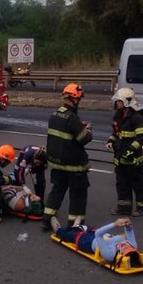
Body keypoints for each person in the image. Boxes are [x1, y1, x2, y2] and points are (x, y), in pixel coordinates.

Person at [42, 83, 93, 231]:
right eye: (79, 99)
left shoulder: (54, 115)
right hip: (74, 166)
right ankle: (75, 225)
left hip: (57, 164)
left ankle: (47, 219)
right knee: (78, 194)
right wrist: (88, 129)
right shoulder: (72, 118)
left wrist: (78, 125)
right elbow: (84, 138)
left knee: (57, 190)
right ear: (74, 99)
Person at [107, 87, 143, 216]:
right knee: (122, 183)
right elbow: (116, 133)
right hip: (120, 156)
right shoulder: (118, 116)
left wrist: (131, 150)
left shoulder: (137, 118)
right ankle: (124, 208)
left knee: (137, 183)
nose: (117, 103)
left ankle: (142, 207)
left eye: (119, 101)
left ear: (126, 102)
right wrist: (110, 141)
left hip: (134, 158)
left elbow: (142, 137)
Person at [54, 217, 140, 265]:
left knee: (70, 235)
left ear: (121, 256)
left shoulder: (110, 255)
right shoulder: (133, 246)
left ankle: (58, 230)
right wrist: (128, 224)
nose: (126, 246)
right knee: (86, 228)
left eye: (125, 250)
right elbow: (129, 230)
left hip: (88, 243)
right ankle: (76, 226)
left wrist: (114, 224)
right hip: (101, 236)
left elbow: (98, 234)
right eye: (129, 248)